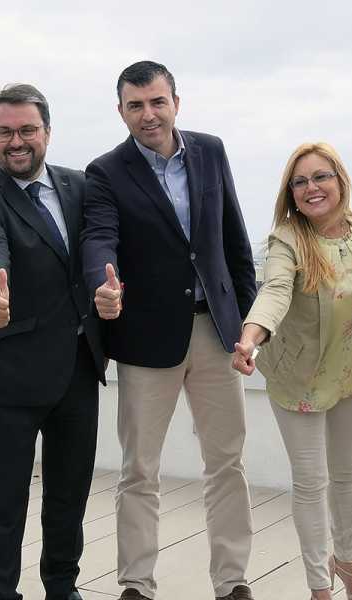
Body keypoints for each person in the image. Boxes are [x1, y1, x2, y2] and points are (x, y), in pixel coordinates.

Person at [81, 60, 258, 600]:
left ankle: (232, 581)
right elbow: (99, 238)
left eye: (157, 102)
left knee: (227, 463)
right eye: (135, 105)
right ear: (121, 111)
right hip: (145, 339)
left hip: (215, 332)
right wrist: (103, 285)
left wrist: (248, 324)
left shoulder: (210, 151)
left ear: (176, 102)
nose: (148, 114)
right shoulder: (105, 172)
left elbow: (234, 241)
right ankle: (137, 584)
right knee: (139, 469)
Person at [231, 142, 352, 600]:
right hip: (299, 378)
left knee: (346, 475)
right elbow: (275, 291)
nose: (311, 188)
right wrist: (251, 336)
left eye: (321, 176)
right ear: (291, 193)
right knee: (311, 482)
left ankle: (347, 560)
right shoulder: (287, 239)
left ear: (340, 180)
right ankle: (319, 588)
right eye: (300, 182)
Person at [0, 83, 106, 600]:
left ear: (47, 131)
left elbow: (100, 248)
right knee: (4, 503)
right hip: (15, 374)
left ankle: (62, 587)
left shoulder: (79, 186)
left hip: (78, 368)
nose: (16, 141)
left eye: (27, 130)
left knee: (69, 493)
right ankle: (1, 594)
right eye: (4, 132)